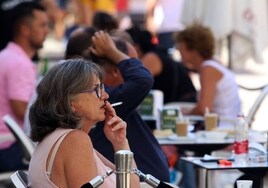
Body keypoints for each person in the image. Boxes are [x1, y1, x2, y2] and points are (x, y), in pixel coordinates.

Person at [65, 29, 170, 182]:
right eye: (129, 63)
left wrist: (120, 143)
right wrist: (112, 51)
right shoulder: (99, 102)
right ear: (116, 70)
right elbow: (143, 79)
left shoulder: (105, 101)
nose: (104, 96)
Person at [28, 59, 140, 188]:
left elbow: (129, 185)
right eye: (97, 89)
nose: (106, 96)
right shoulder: (75, 141)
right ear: (70, 101)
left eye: (103, 87)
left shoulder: (64, 138)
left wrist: (120, 143)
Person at [0, 1, 49, 172]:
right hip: (10, 148)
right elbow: (23, 110)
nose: (47, 30)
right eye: (42, 25)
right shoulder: (19, 63)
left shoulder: (8, 55)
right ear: (25, 29)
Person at [174, 23, 241, 126]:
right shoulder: (213, 64)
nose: (178, 49)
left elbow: (204, 109)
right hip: (225, 126)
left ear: (193, 47)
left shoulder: (208, 69)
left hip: (222, 129)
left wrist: (185, 114)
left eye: (181, 45)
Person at [126, 25, 197, 104]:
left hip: (182, 104)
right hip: (178, 103)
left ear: (136, 46)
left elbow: (136, 84)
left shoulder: (151, 58)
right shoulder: (155, 54)